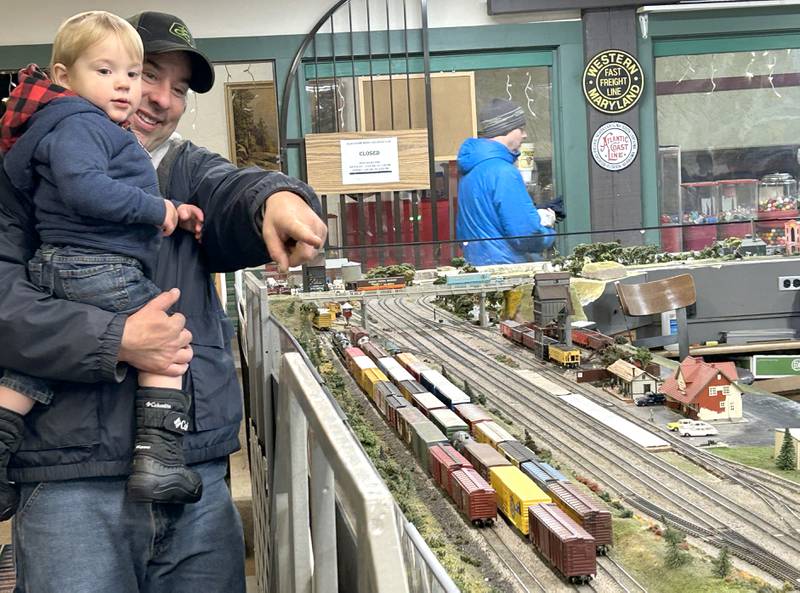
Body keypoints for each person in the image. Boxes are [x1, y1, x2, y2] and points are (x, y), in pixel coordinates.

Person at [0, 10, 326, 593]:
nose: (156, 98)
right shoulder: (26, 173)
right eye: (145, 73)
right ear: (79, 73)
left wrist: (276, 197)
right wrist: (115, 340)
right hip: (69, 479)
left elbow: (233, 190)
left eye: (177, 88)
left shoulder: (185, 168)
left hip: (193, 477)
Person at [0, 11, 209, 516]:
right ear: (63, 77)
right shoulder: (79, 124)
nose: (126, 87)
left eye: (131, 75)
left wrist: (176, 211)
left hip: (63, 267)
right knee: (167, 339)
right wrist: (157, 208)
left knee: (28, 371)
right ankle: (160, 459)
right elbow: (86, 189)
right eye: (106, 71)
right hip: (95, 265)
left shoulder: (65, 125)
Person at [455, 98, 556, 265]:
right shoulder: (503, 172)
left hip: (479, 266)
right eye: (521, 128)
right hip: (508, 270)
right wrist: (548, 231)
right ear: (506, 129)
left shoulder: (471, 171)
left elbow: (463, 231)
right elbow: (525, 235)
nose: (525, 135)